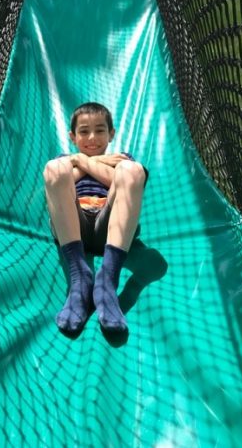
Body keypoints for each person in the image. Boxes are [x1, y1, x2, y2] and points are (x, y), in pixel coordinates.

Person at [43, 102, 148, 333]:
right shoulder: (64, 160)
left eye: (100, 130)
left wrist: (80, 161)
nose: (92, 137)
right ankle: (80, 279)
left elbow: (118, 179)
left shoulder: (122, 159)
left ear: (111, 134)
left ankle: (107, 280)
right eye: (84, 131)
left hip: (110, 228)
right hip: (73, 227)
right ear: (72, 136)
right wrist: (93, 162)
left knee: (133, 170)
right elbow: (58, 179)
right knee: (54, 168)